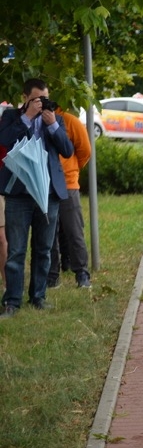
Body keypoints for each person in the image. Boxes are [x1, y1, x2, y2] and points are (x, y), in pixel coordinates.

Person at [0, 78, 74, 318]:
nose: (43, 103)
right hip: (18, 195)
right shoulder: (11, 117)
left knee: (43, 249)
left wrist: (52, 126)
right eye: (37, 99)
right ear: (25, 98)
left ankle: (38, 296)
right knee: (16, 250)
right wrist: (27, 118)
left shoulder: (56, 119)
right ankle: (12, 301)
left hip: (48, 194)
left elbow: (67, 150)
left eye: (46, 98)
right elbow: (4, 141)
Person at [46, 106, 92, 288]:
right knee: (49, 233)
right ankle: (52, 275)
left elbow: (85, 150)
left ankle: (82, 273)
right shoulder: (35, 119)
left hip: (67, 185)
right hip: (46, 186)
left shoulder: (70, 121)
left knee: (74, 231)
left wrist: (71, 170)